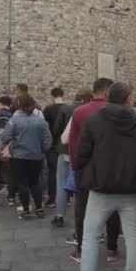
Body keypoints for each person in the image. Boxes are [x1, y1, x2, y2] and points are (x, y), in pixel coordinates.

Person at [58, 83, 136, 271]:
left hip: (101, 189)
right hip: (132, 189)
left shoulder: (95, 121)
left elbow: (81, 155)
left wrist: (90, 173)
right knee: (133, 236)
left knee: (90, 237)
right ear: (129, 98)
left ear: (109, 98)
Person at [67, 78, 121, 263]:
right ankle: (112, 249)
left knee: (82, 208)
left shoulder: (80, 112)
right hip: (113, 167)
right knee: (113, 208)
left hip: (86, 167)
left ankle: (81, 249)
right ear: (107, 92)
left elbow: (74, 144)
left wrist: (76, 166)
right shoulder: (118, 112)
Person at [0, 93, 52, 220]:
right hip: (36, 156)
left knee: (22, 183)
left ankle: (26, 211)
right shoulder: (41, 122)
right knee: (35, 182)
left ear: (18, 105)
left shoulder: (14, 121)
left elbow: (5, 137)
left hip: (19, 156)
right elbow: (48, 141)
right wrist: (41, 150)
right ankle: (39, 209)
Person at [51, 88, 93, 228]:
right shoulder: (91, 111)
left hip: (64, 151)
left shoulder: (65, 109)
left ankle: (59, 215)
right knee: (81, 187)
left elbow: (57, 130)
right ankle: (82, 219)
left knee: (61, 183)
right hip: (83, 153)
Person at [43, 87, 66, 208]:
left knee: (52, 172)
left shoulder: (48, 109)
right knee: (65, 171)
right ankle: (66, 198)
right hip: (64, 144)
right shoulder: (68, 108)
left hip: (52, 143)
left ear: (52, 96)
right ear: (63, 94)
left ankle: (52, 198)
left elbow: (44, 127)